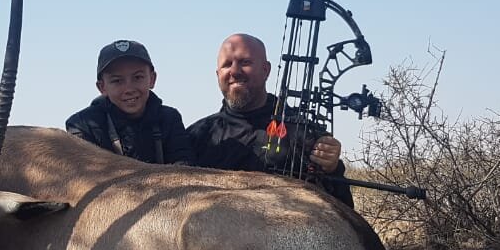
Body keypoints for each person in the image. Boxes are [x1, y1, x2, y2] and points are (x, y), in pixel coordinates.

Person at [187, 33, 354, 207]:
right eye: (227, 64)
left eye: (245, 62)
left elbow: (343, 209)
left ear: (266, 70)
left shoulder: (304, 132)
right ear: (217, 74)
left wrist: (332, 168)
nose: (235, 72)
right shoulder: (197, 135)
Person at [66, 40, 194, 165]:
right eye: (117, 81)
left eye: (137, 77)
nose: (129, 89)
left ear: (152, 79)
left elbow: (184, 169)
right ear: (102, 87)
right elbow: (83, 178)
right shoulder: (82, 125)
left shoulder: (170, 118)